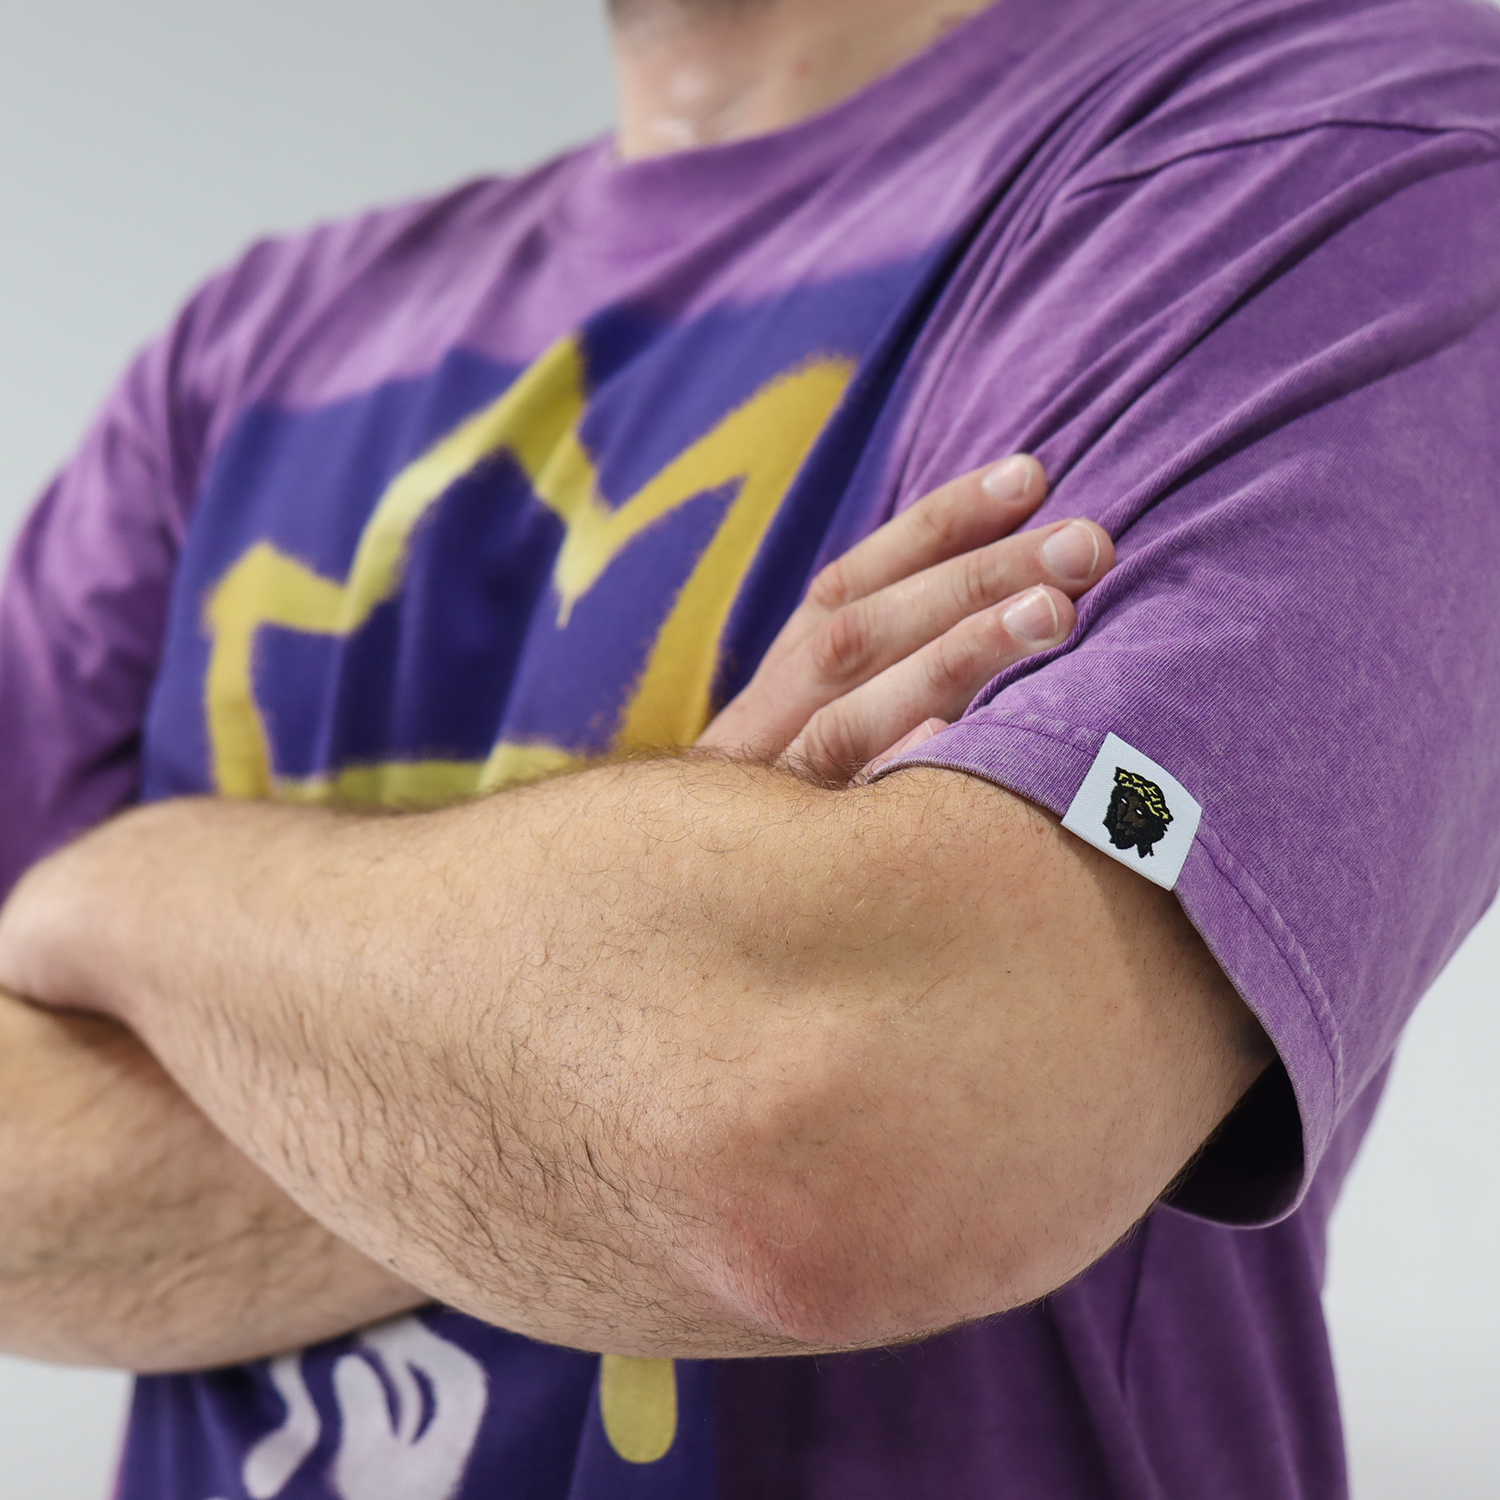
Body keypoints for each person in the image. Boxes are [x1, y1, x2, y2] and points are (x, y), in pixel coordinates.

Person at [0, 0, 1497, 1494]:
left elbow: (855, 1133)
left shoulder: (1329, 159)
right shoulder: (244, 355)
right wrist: (607, 1049)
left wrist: (144, 888)